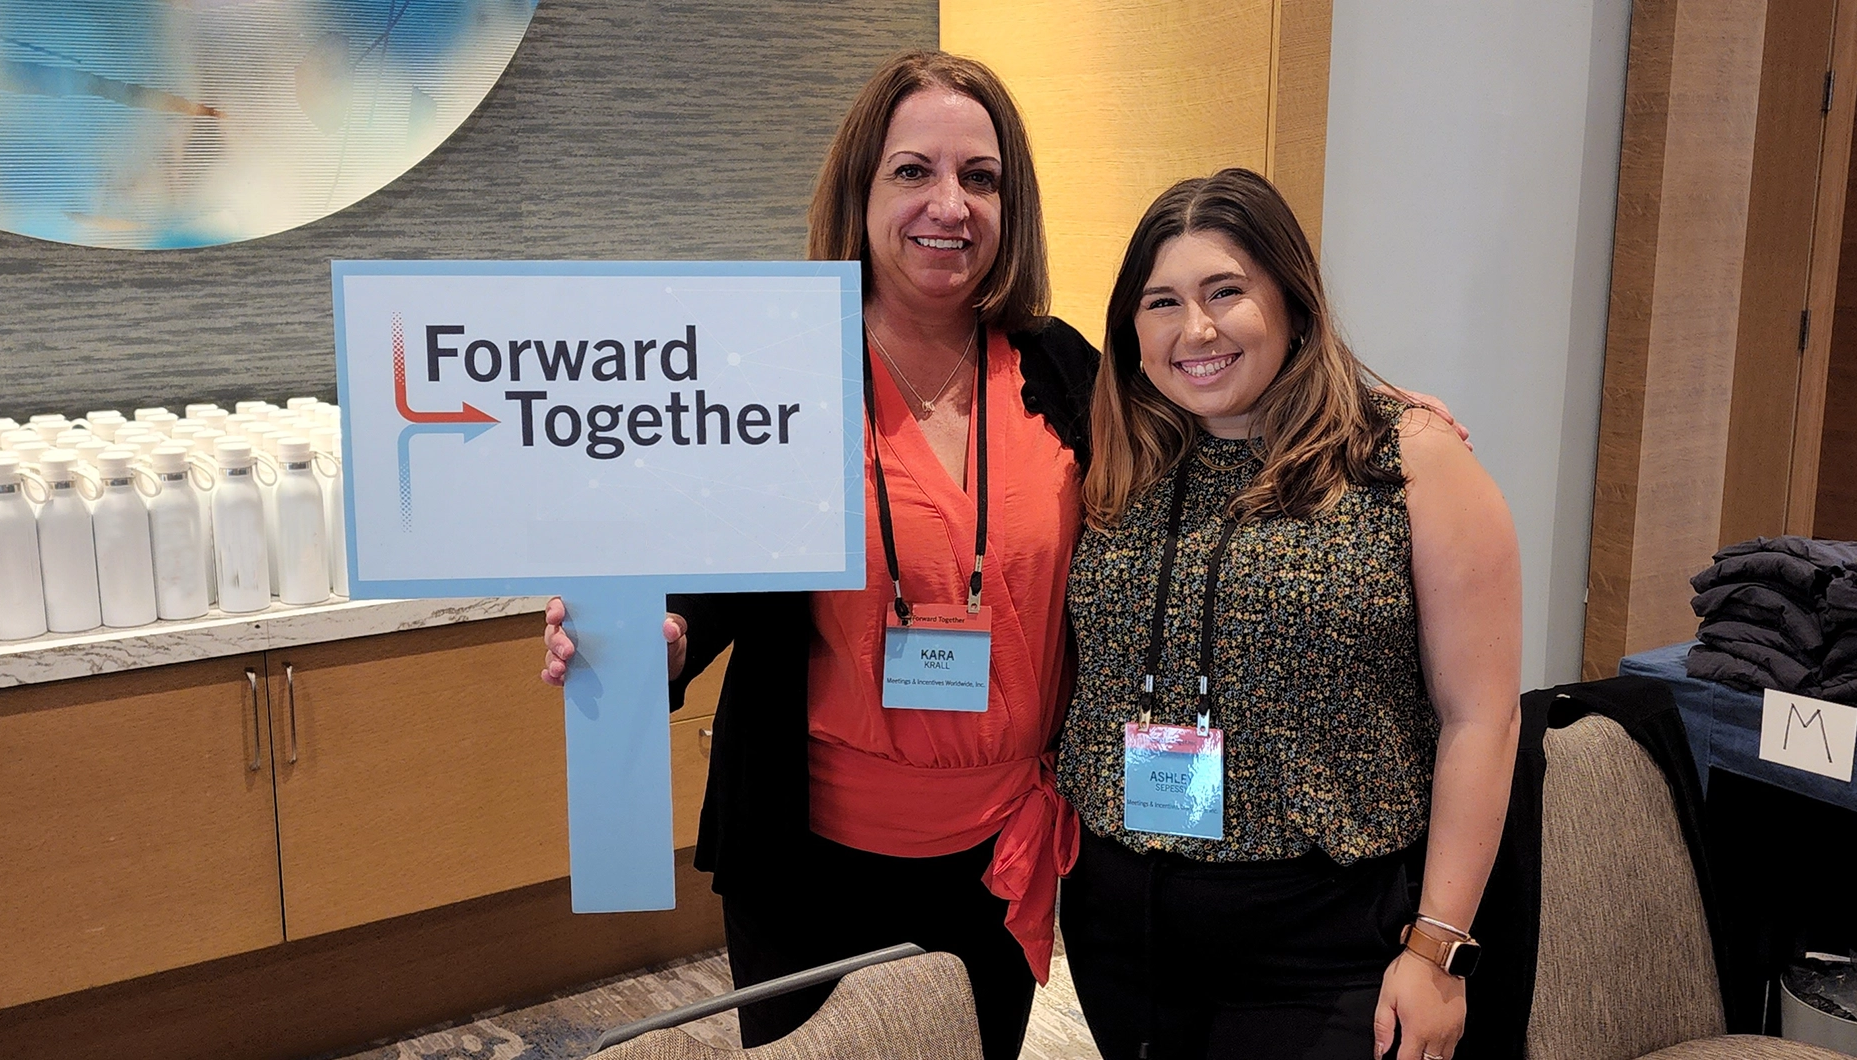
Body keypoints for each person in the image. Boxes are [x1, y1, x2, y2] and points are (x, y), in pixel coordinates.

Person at [545, 50, 1097, 1060]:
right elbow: (704, 567)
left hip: (997, 858)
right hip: (809, 864)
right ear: (861, 190)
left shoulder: (1062, 369)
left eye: (981, 177)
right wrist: (658, 637)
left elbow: (1205, 442)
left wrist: (1380, 419)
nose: (951, 204)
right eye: (913, 172)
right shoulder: (781, 366)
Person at [1055, 169, 1521, 1060]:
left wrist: (1437, 948)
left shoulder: (1408, 460)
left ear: (1293, 300)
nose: (1195, 330)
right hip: (1124, 925)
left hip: (1324, 935)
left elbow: (1482, 718)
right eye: (1161, 302)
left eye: (1225, 292)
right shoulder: (1120, 458)